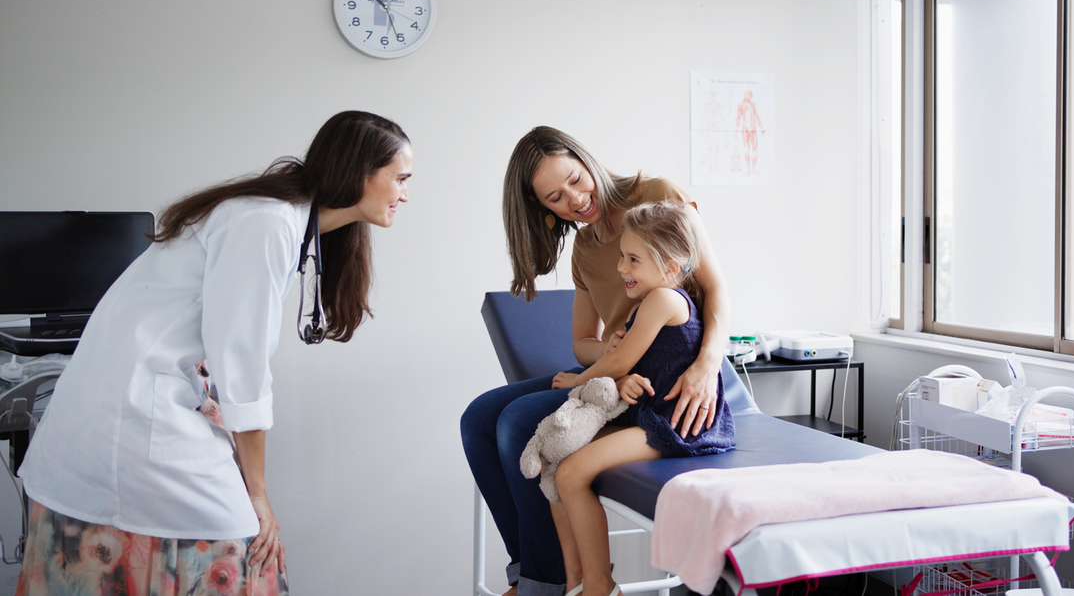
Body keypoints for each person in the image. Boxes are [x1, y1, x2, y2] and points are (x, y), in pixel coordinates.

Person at [15, 111, 413, 596]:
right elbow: (241, 365)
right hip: (130, 417)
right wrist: (259, 494)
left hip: (141, 405)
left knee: (244, 550)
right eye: (400, 178)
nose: (405, 193)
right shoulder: (265, 221)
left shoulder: (288, 222)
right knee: (245, 547)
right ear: (358, 173)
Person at [461, 126, 731, 596]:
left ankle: (543, 585)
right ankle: (527, 570)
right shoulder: (585, 248)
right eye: (555, 198)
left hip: (674, 373)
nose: (575, 199)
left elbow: (714, 287)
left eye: (575, 179)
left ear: (586, 160)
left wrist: (707, 363)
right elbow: (585, 341)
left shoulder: (658, 196)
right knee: (479, 418)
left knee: (517, 423)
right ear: (543, 208)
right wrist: (606, 355)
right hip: (618, 373)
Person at [550, 200, 734, 596]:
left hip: (677, 425)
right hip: (652, 414)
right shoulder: (650, 302)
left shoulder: (664, 300)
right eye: (622, 256)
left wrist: (577, 380)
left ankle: (600, 586)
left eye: (633, 259)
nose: (621, 268)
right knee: (554, 461)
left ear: (670, 268)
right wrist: (624, 376)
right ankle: (576, 581)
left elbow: (618, 363)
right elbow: (637, 367)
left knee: (569, 472)